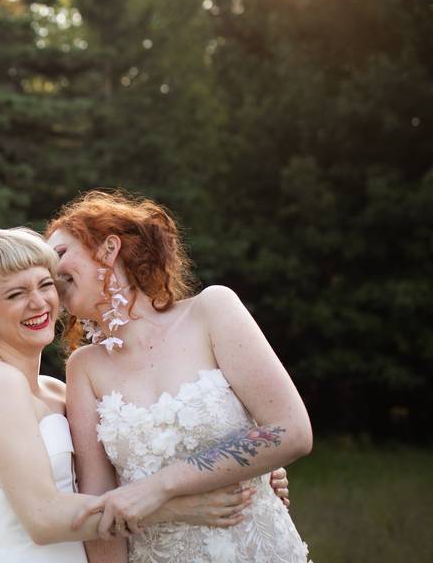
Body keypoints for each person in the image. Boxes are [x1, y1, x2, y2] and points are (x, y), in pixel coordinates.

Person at [0, 228, 286, 563]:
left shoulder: (55, 390)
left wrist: (255, 469)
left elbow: (125, 459)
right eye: (16, 294)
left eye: (45, 284)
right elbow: (42, 518)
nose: (38, 303)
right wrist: (176, 507)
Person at [46, 190, 311, 562]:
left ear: (108, 248)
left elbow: (292, 431)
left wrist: (160, 487)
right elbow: (99, 505)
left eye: (58, 254)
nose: (50, 272)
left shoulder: (211, 311)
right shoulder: (84, 368)